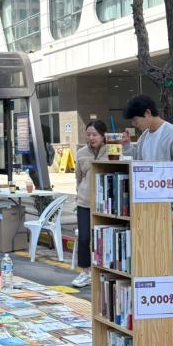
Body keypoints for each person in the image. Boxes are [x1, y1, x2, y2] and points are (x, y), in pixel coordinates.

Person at [122, 95, 173, 324]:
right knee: (158, 259)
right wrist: (127, 146)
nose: (134, 124)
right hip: (154, 209)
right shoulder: (145, 136)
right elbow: (139, 163)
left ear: (147, 113)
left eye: (136, 119)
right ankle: (167, 307)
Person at [72, 120, 108, 288]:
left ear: (103, 135)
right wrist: (79, 193)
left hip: (107, 204)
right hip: (84, 202)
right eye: (88, 134)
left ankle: (104, 271)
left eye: (95, 134)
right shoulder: (81, 153)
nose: (91, 138)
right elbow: (78, 177)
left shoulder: (112, 150)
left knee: (104, 238)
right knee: (84, 237)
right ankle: (85, 272)